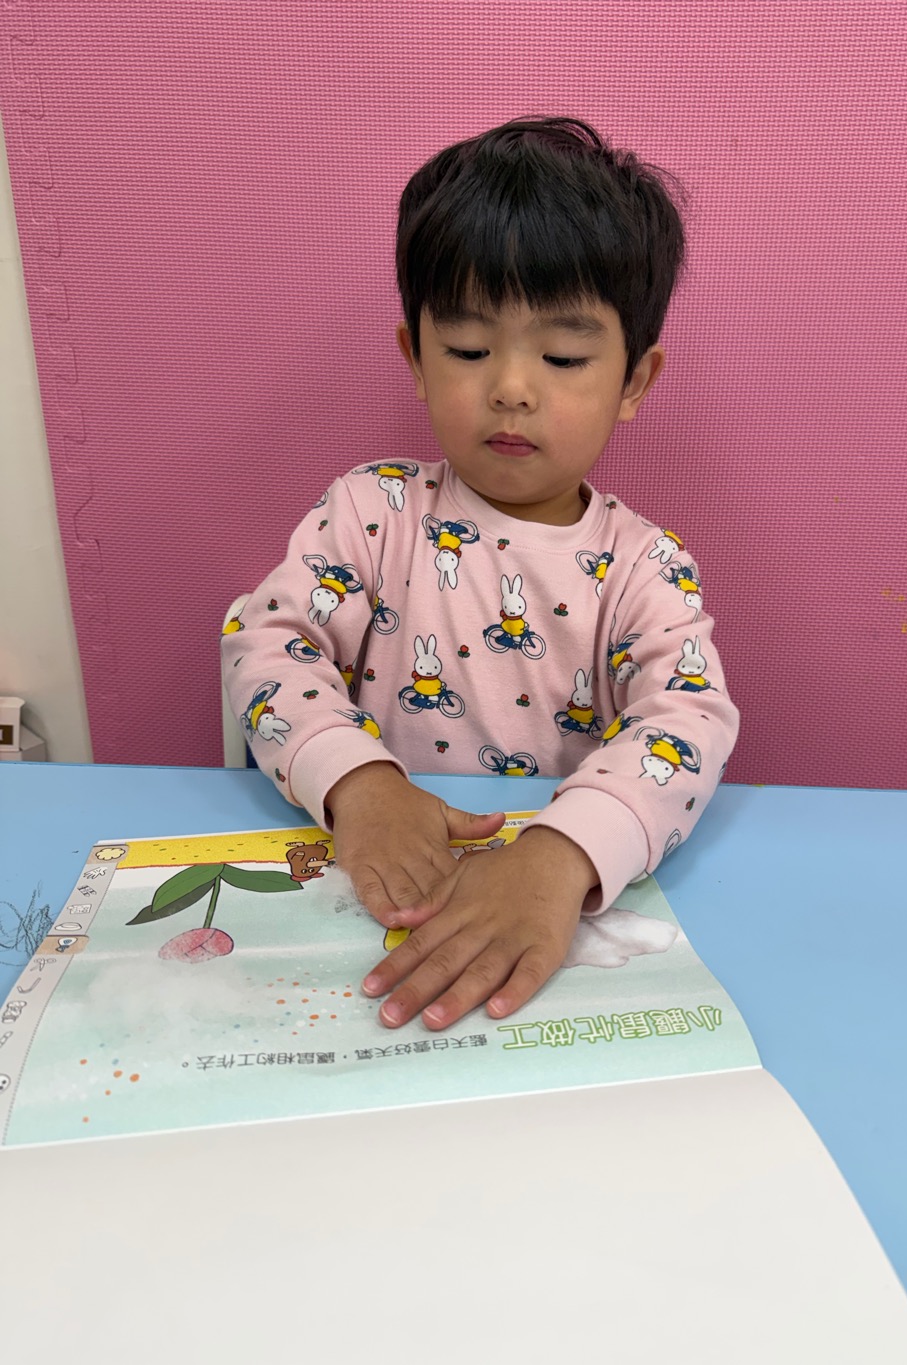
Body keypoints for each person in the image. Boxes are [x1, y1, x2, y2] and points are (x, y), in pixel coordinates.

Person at [221, 116, 739, 1031]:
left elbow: (686, 720)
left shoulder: (646, 566)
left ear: (634, 379)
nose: (510, 387)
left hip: (546, 914)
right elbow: (265, 645)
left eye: (563, 356)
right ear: (416, 359)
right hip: (363, 899)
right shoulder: (370, 512)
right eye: (467, 349)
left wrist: (561, 855)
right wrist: (357, 783)